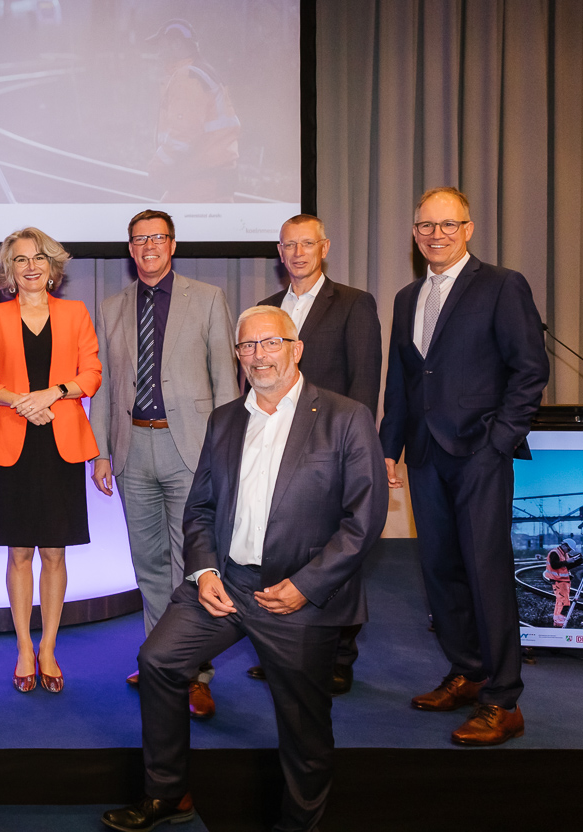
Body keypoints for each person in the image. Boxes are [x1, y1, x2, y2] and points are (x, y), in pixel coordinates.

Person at [103, 306, 388, 832]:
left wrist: (306, 586)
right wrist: (205, 571)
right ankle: (168, 795)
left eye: (270, 343)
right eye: (247, 347)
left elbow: (364, 520)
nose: (258, 356)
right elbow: (201, 508)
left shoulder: (345, 417)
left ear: (295, 349)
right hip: (227, 583)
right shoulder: (226, 418)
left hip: (297, 594)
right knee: (159, 661)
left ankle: (298, 826)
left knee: (303, 728)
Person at [380, 186, 549, 746]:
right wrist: (390, 447)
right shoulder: (407, 298)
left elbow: (529, 370)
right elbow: (404, 380)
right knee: (440, 571)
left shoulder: (502, 286)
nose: (437, 235)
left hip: (480, 453)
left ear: (468, 229)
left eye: (448, 225)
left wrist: (499, 441)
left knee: (487, 573)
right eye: (427, 226)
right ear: (414, 232)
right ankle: (468, 672)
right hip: (425, 456)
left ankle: (505, 699)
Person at [90, 209, 238, 717]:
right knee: (149, 562)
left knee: (192, 564)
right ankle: (162, 660)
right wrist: (102, 452)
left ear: (172, 244)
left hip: (191, 450)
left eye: (156, 238)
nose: (147, 246)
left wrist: (224, 454)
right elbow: (106, 386)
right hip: (133, 449)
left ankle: (195, 671)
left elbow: (226, 383)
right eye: (138, 240)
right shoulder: (111, 307)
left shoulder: (208, 298)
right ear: (130, 250)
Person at [248, 213, 382, 695]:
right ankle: (284, 646)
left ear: (324, 248)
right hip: (275, 450)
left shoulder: (353, 304)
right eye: (289, 245)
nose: (298, 253)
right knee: (281, 546)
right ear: (279, 253)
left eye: (307, 244)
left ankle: (337, 657)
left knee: (334, 552)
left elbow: (365, 380)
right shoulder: (265, 308)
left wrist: (360, 450)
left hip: (334, 448)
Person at [0, 228, 102, 694]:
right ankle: (24, 648)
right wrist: (20, 400)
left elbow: (91, 373)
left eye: (39, 259)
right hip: (12, 443)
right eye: (20, 260)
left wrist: (53, 393)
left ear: (53, 267)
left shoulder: (75, 314)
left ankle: (48, 647)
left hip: (60, 441)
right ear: (8, 271)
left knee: (54, 551)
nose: (30, 266)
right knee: (19, 552)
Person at [145, 18, 241, 201]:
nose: (158, 51)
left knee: (164, 223)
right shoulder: (203, 72)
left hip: (200, 179)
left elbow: (184, 134)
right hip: (212, 177)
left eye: (161, 44)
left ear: (176, 44)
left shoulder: (187, 78)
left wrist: (157, 167)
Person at [544, 541, 581, 627]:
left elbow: (565, 567)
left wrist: (578, 561)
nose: (569, 551)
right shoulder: (555, 553)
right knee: (564, 603)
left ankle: (558, 621)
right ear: (564, 545)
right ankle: (560, 623)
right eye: (568, 549)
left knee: (560, 602)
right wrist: (567, 562)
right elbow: (554, 565)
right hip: (558, 581)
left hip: (563, 581)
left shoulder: (563, 553)